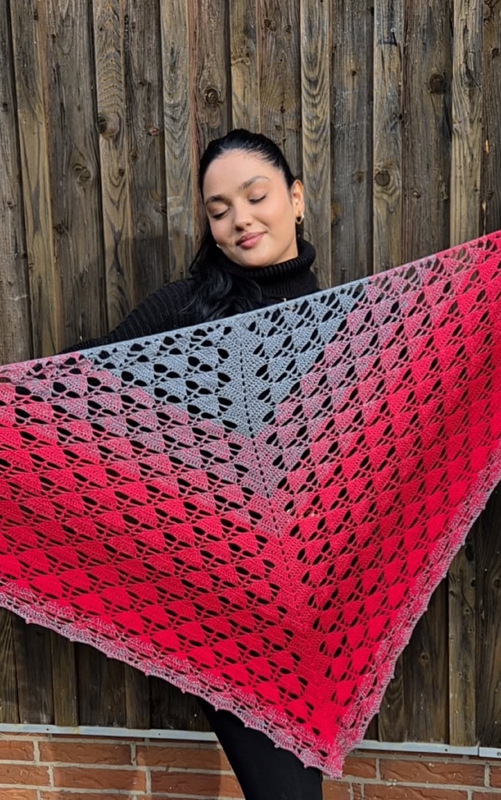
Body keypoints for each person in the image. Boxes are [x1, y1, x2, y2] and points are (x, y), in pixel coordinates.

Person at [68, 129, 323, 800]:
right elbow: (73, 391)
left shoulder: (340, 320)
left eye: (256, 196)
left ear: (296, 198)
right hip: (229, 616)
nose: (240, 219)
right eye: (219, 209)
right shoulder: (183, 309)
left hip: (317, 618)